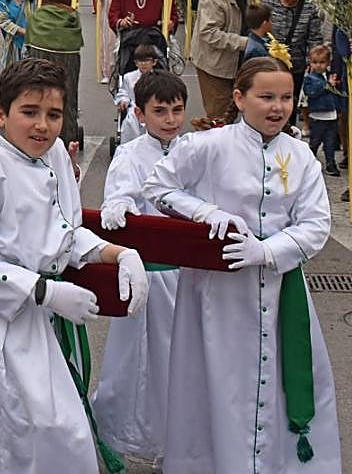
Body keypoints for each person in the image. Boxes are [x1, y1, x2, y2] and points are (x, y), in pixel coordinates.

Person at [0, 58, 149, 474]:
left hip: (43, 318)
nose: (42, 126)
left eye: (53, 115)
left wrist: (117, 254)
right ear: (1, 114)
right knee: (20, 436)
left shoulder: (54, 153)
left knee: (61, 434)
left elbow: (67, 232)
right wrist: (46, 290)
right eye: (29, 113)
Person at [144, 57, 341, 473]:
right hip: (219, 290)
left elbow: (316, 222)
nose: (278, 107)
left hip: (282, 287)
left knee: (284, 383)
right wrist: (204, 211)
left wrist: (269, 252)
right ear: (239, 97)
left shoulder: (301, 155)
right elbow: (159, 186)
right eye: (266, 96)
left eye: (286, 97)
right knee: (221, 384)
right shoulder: (208, 146)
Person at [94, 71, 189, 466]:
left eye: (177, 110)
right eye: (159, 111)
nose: (169, 119)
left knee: (186, 358)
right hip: (150, 274)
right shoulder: (130, 155)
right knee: (141, 358)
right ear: (140, 113)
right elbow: (118, 198)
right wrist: (121, 207)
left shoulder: (194, 150)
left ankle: (183, 436)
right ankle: (130, 433)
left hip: (188, 273)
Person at [191, 0, 257, 119]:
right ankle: (214, 144)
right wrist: (244, 43)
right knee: (219, 115)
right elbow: (209, 33)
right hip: (214, 65)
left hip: (234, 62)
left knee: (232, 111)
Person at [23, 0, 84, 146]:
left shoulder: (37, 17)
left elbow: (28, 42)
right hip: (69, 59)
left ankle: (38, 132)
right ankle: (67, 138)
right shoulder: (73, 17)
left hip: (40, 57)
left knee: (39, 96)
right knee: (67, 98)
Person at [264, 0, 323, 126]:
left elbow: (314, 39)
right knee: (268, 105)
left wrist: (313, 62)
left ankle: (287, 135)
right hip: (269, 66)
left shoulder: (310, 9)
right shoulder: (267, 5)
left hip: (295, 68)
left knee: (288, 106)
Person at [303, 44, 341, 177]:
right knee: (314, 142)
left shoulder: (330, 76)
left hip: (332, 116)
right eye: (315, 62)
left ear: (328, 63)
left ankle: (331, 163)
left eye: (322, 62)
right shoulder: (310, 78)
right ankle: (308, 163)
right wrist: (327, 86)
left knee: (330, 143)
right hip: (317, 117)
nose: (318, 65)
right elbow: (310, 92)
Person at [115, 44, 161, 144]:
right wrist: (124, 101)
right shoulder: (129, 77)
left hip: (154, 108)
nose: (143, 63)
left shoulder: (159, 78)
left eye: (147, 60)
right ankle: (130, 145)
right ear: (136, 63)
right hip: (135, 108)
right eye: (140, 61)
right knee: (131, 121)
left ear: (154, 62)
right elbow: (123, 92)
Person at [97, 0, 125, 82]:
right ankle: (106, 71)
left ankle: (121, 70)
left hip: (122, 8)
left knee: (122, 39)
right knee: (107, 40)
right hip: (108, 7)